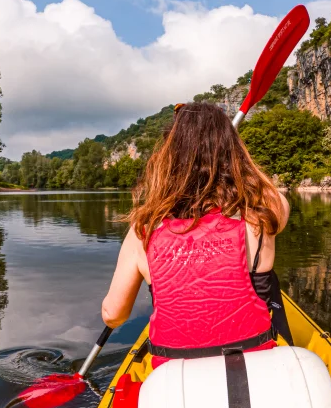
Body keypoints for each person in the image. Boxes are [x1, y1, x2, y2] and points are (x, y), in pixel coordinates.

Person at [101, 102, 291, 366]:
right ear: (233, 151)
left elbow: (113, 315)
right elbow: (268, 193)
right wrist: (238, 162)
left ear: (169, 158)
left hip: (174, 376)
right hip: (253, 367)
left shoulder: (143, 229)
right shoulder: (262, 212)